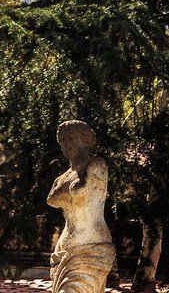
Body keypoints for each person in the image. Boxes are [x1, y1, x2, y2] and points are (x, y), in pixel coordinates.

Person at [46, 120, 116, 293]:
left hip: (91, 244)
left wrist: (66, 193)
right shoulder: (62, 177)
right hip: (64, 248)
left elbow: (82, 192)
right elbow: (51, 200)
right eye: (61, 140)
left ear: (85, 139)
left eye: (70, 138)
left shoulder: (97, 166)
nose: (65, 144)